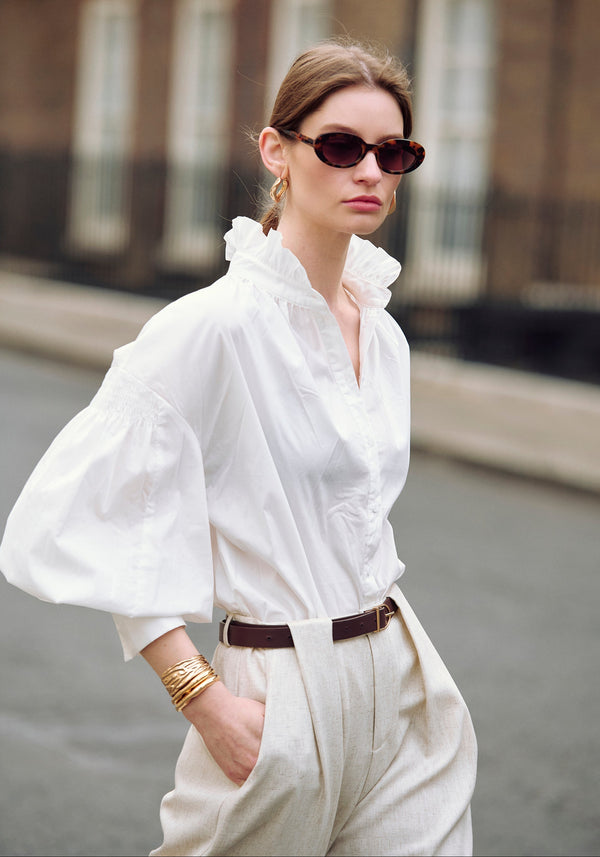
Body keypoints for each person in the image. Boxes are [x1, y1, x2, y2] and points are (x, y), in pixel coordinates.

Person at [0, 38, 477, 856]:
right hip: (279, 688)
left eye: (392, 151)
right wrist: (202, 696)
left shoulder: (385, 332)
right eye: (340, 146)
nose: (370, 170)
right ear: (276, 151)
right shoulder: (208, 327)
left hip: (400, 677)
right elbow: (103, 518)